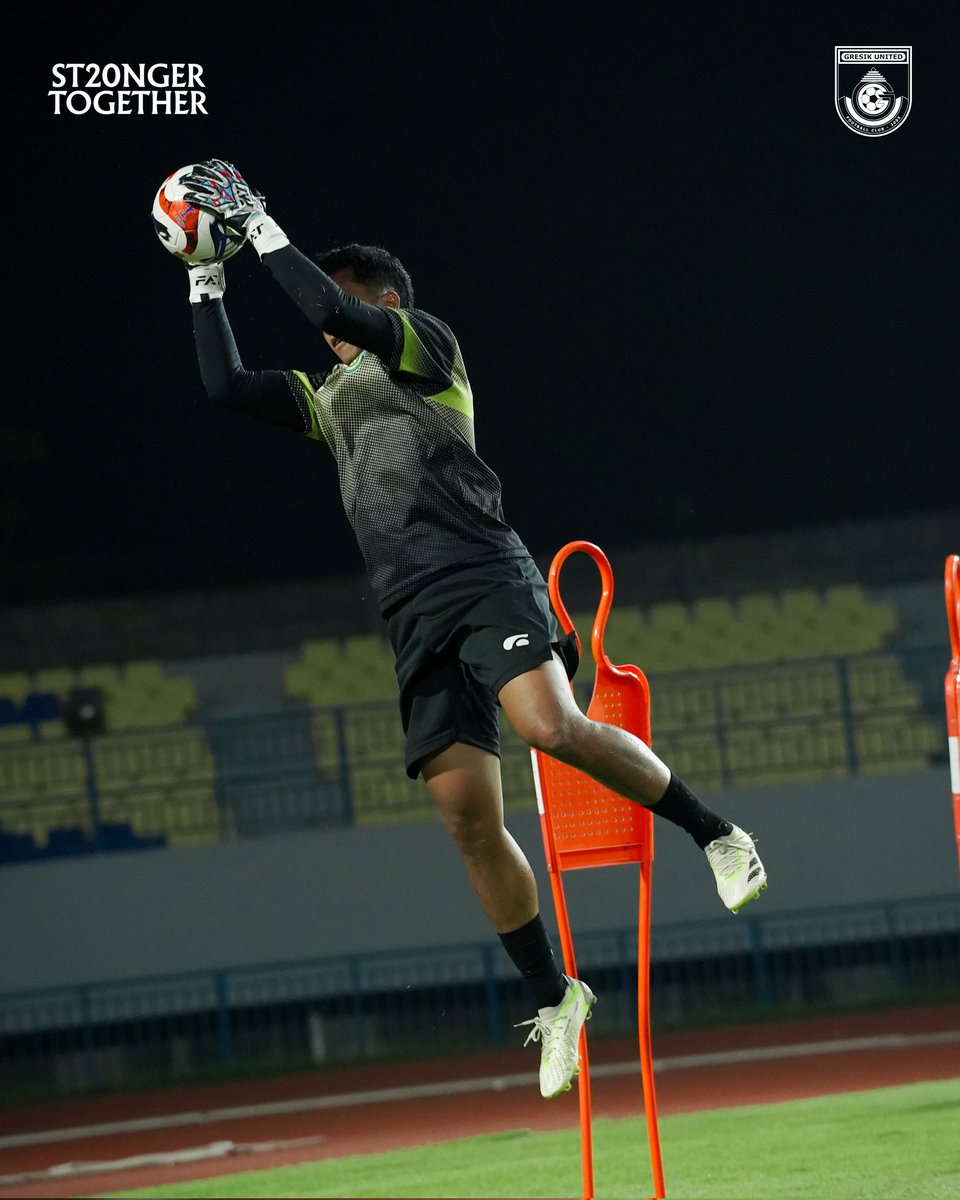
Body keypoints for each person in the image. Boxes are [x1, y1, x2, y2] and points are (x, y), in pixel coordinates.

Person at [174, 159, 768, 1100]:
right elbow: (223, 387)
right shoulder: (329, 402)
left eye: (348, 303)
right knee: (466, 819)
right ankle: (555, 995)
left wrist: (261, 225)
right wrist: (206, 271)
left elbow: (340, 313)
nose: (332, 326)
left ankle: (717, 832)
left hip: (484, 572)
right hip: (410, 609)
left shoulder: (427, 348)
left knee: (548, 726)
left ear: (388, 300)